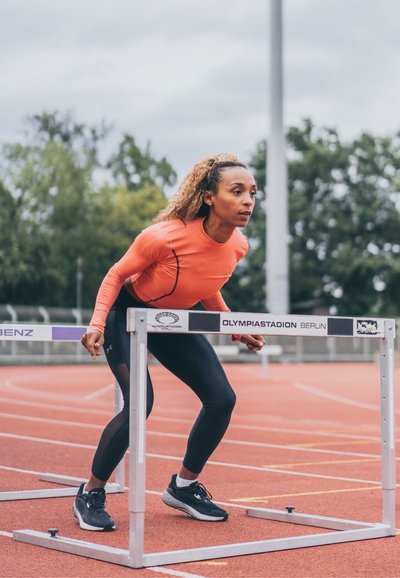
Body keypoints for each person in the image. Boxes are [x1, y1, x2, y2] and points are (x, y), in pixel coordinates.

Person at [74, 153, 265, 531]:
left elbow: (207, 286)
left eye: (253, 193)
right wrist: (97, 323)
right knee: (140, 403)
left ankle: (184, 486)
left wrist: (234, 326)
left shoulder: (238, 245)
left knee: (222, 398)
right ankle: (91, 492)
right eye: (237, 191)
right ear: (209, 196)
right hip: (125, 315)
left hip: (171, 320)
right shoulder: (164, 236)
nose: (248, 201)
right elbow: (115, 275)